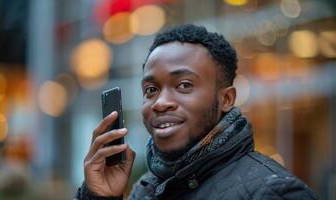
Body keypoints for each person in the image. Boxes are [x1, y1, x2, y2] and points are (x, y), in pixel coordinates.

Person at [75, 24, 318, 200]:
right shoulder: (145, 189)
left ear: (226, 99)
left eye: (184, 85)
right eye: (151, 89)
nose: (160, 103)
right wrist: (98, 197)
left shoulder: (276, 193)